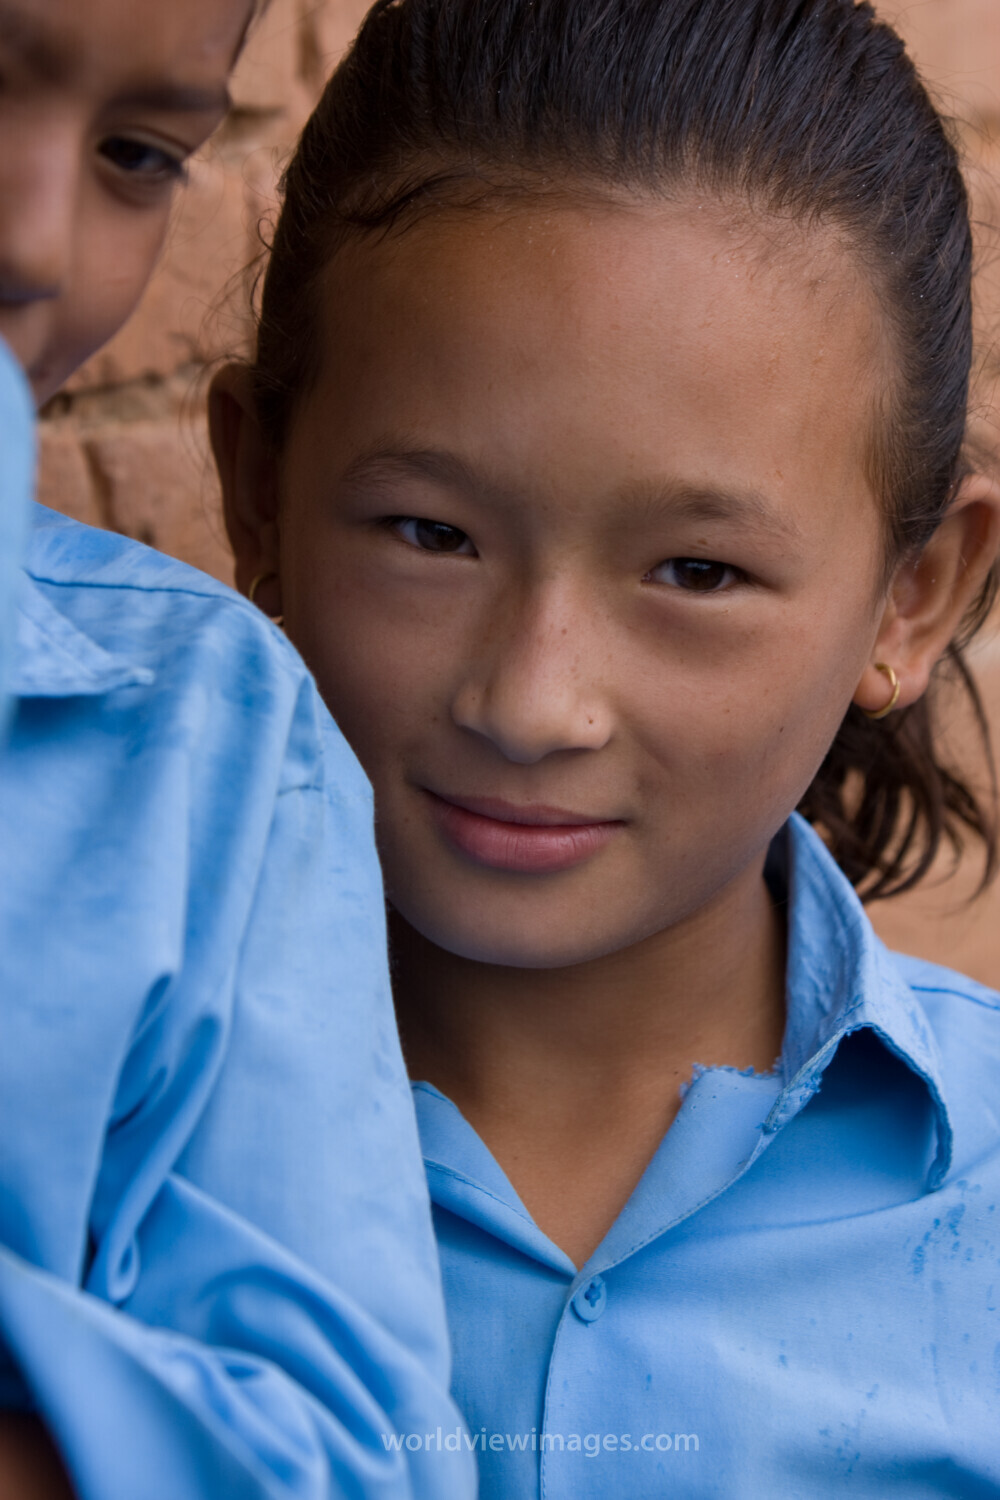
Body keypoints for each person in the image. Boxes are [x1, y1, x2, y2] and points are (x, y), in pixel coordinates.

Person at [211, 0, 1000, 1493]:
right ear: (258, 489)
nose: (531, 701)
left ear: (917, 593)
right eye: (429, 535)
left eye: (695, 573)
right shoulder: (88, 1142)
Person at [0, 2, 474, 1497]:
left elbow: (344, 1458)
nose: (35, 240)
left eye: (139, 154)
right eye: (434, 535)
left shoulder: (196, 736)